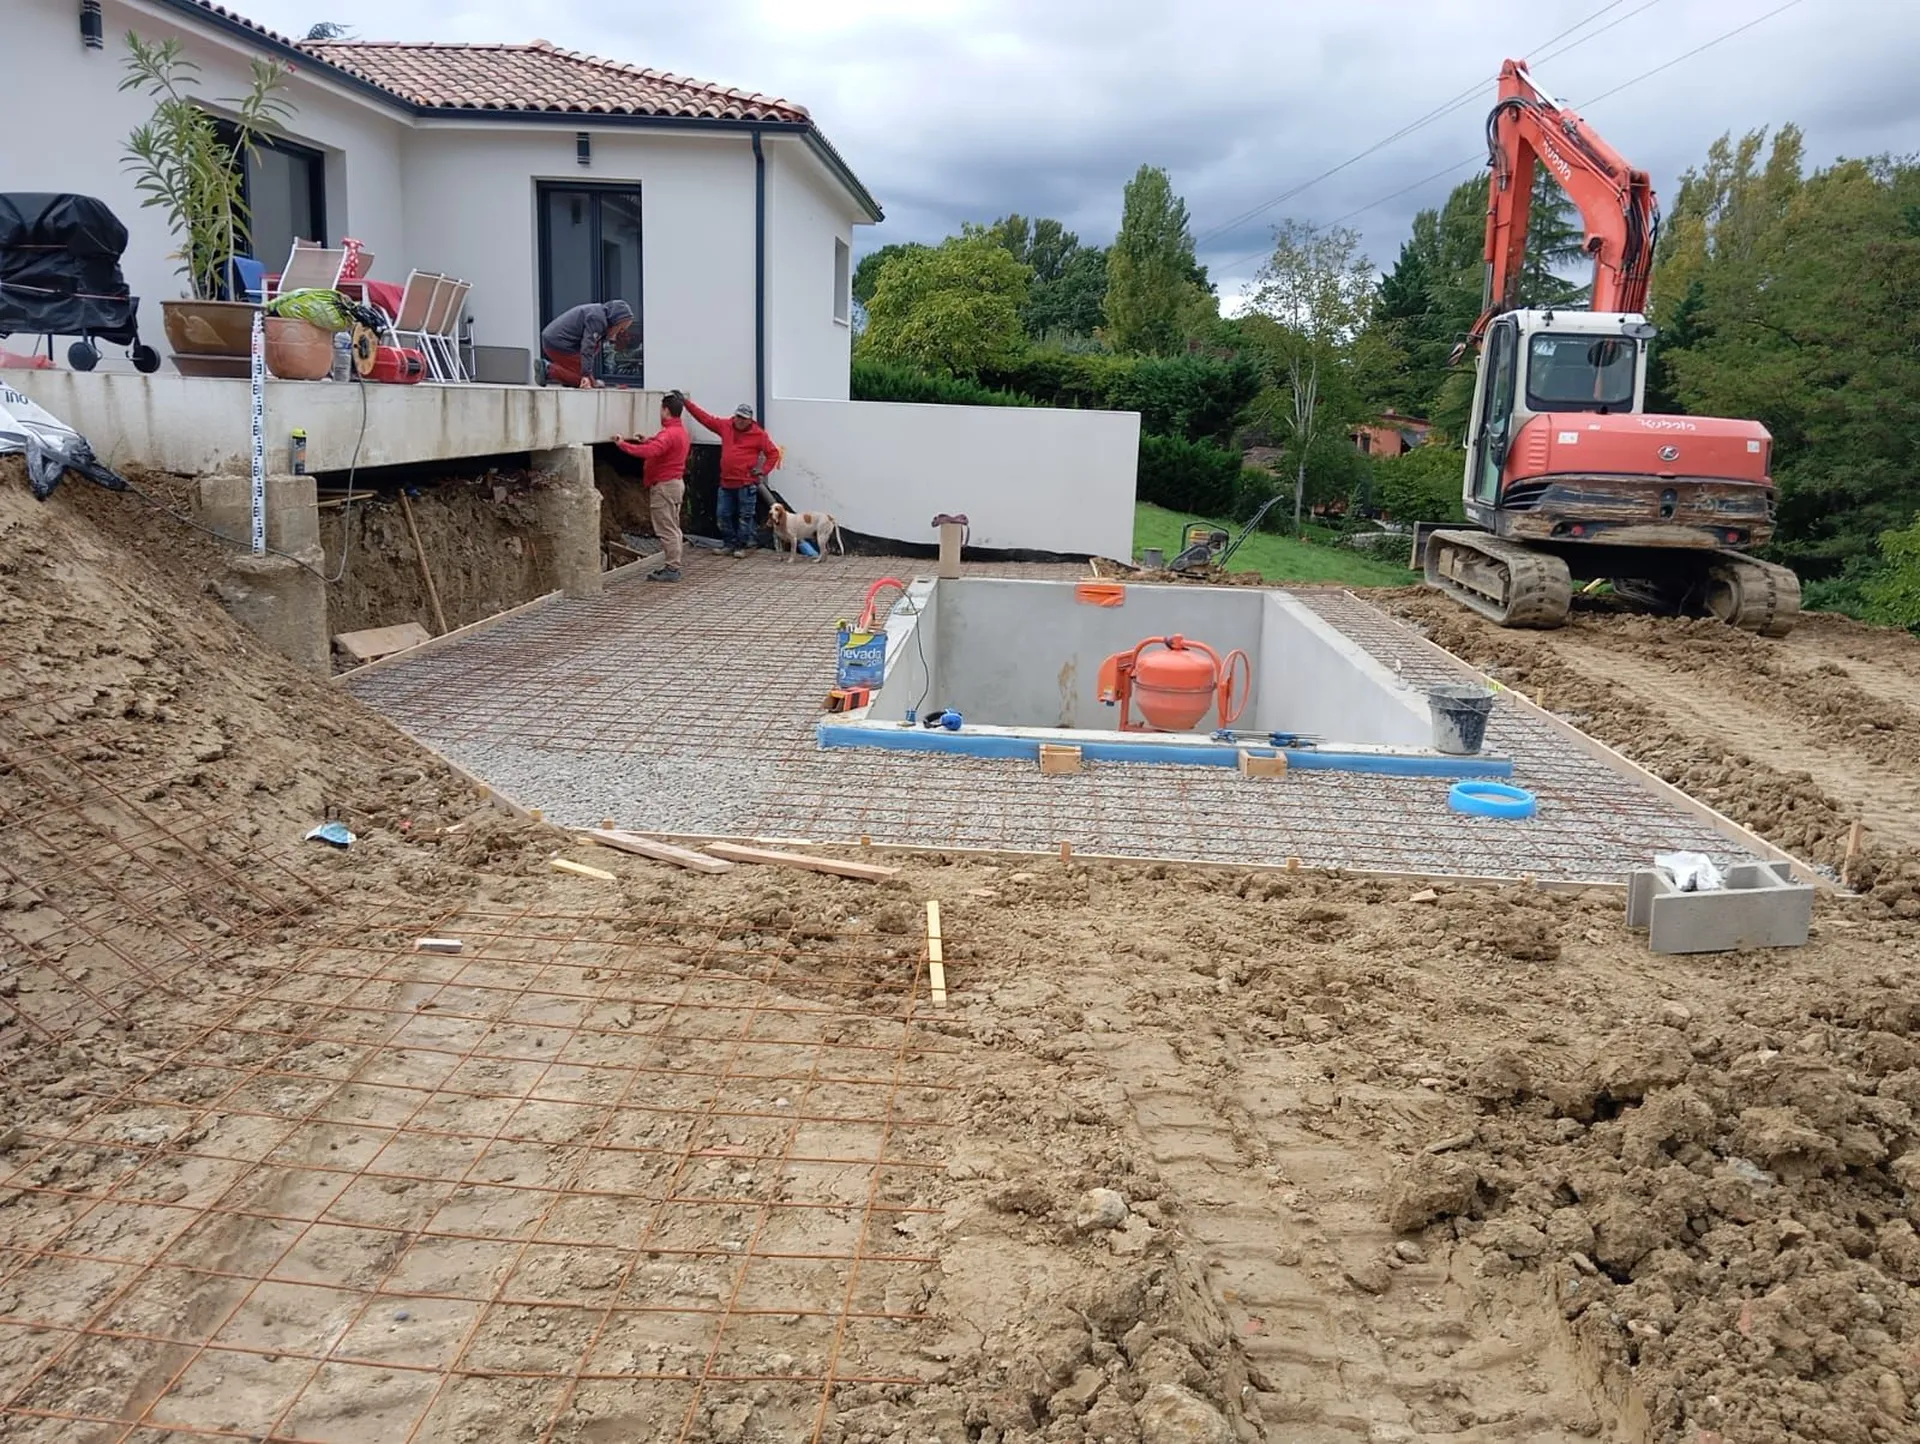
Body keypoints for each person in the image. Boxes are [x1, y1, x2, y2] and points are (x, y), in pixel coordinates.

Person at [682, 397, 781, 557]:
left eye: (743, 418)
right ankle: (729, 543)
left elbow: (773, 453)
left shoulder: (759, 435)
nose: (739, 421)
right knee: (722, 515)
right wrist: (686, 403)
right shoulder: (725, 426)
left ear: (750, 420)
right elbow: (705, 418)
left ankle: (744, 546)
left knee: (745, 516)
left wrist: (762, 470)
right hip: (726, 483)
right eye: (738, 417)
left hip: (746, 483)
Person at [611, 391, 690, 582]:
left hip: (664, 487)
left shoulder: (668, 434)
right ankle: (674, 564)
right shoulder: (680, 432)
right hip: (674, 484)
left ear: (665, 410)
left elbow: (651, 451)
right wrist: (648, 439)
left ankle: (672, 568)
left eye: (660, 409)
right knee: (673, 526)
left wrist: (623, 445)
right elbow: (661, 447)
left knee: (666, 528)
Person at [541, 299, 635, 389]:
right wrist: (586, 375)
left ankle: (566, 379)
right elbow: (587, 347)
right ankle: (548, 370)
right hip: (558, 343)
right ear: (615, 320)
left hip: (557, 340)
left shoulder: (598, 314)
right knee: (584, 380)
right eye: (621, 328)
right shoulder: (597, 319)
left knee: (585, 373)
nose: (621, 332)